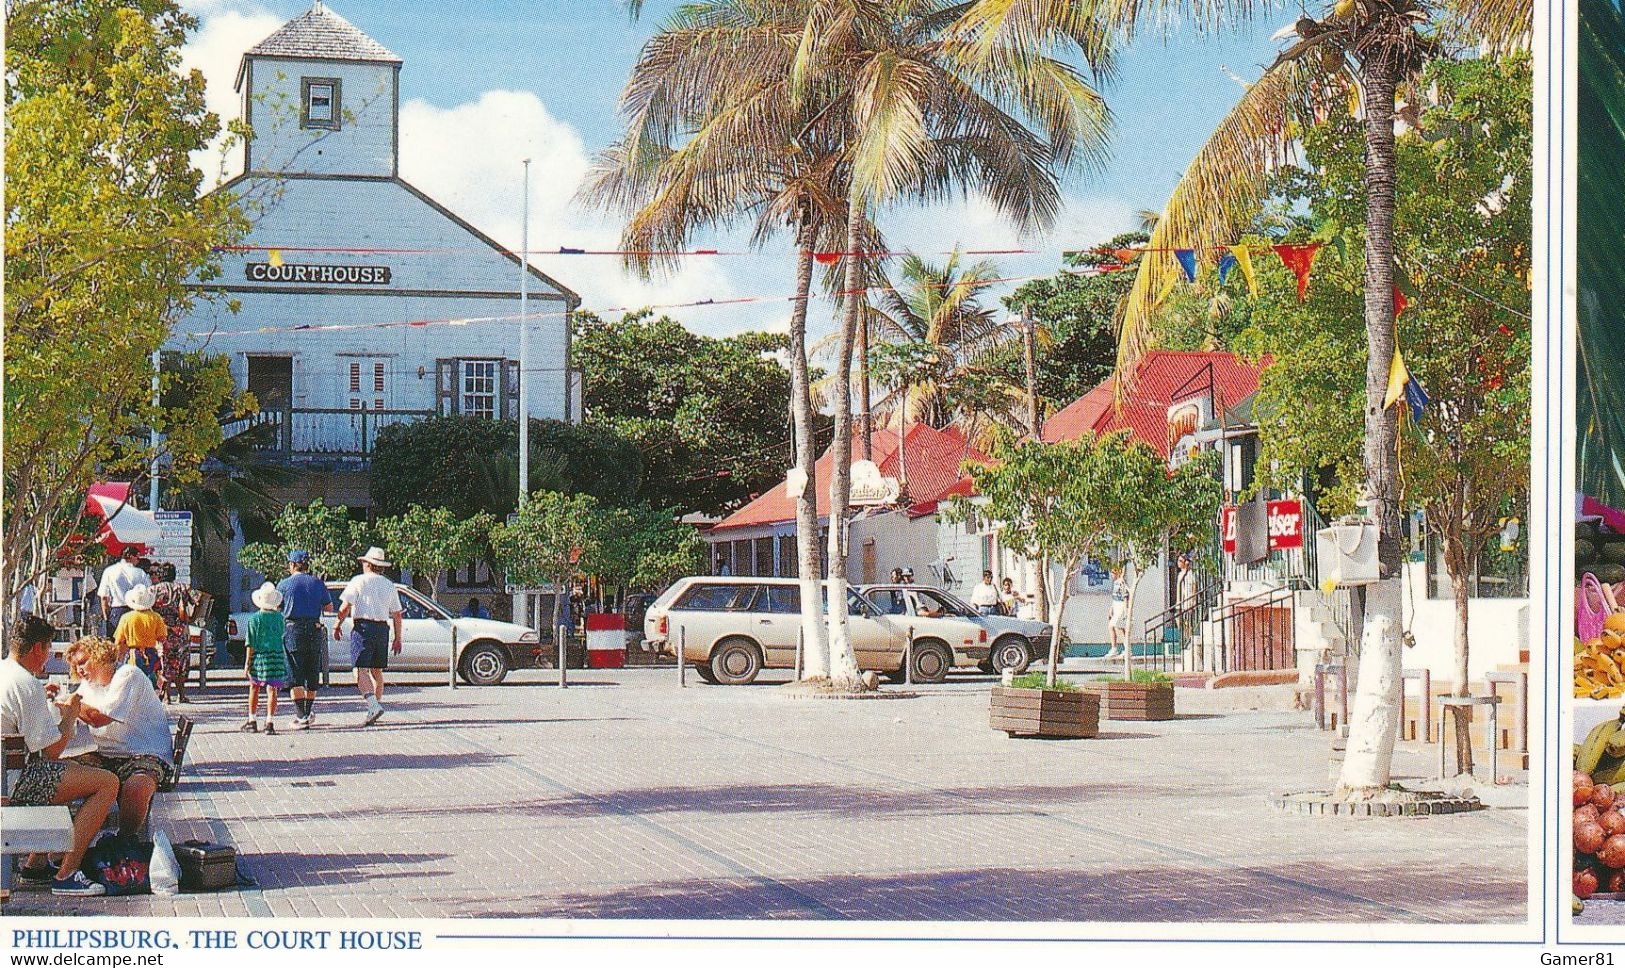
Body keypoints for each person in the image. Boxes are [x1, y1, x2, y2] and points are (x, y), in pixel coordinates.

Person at [0, 615, 119, 896]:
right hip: (13, 784)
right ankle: (67, 874)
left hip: (7, 773)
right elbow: (52, 751)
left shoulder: (7, 672)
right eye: (48, 650)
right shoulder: (25, 683)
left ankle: (36, 865)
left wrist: (42, 698)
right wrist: (70, 715)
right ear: (38, 648)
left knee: (74, 772)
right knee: (107, 783)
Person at [68, 636, 176, 838]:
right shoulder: (89, 684)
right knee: (59, 773)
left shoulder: (128, 675)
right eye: (76, 665)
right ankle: (64, 848)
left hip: (145, 754)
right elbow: (78, 710)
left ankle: (125, 844)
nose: (80, 669)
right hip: (108, 756)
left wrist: (68, 703)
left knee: (137, 786)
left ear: (98, 655)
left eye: (83, 662)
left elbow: (98, 718)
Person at [334, 547, 402, 727]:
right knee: (377, 670)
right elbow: (397, 614)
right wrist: (397, 638)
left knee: (359, 669)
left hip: (363, 627)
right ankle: (375, 706)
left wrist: (337, 624)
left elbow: (345, 606)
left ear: (368, 564)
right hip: (382, 628)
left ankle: (373, 706)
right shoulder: (388, 584)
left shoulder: (359, 581)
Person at [277, 549, 328, 730]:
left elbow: (276, 605)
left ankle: (301, 715)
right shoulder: (317, 583)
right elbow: (329, 606)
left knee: (295, 673)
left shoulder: (284, 584)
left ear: (292, 564)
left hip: (293, 629)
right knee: (312, 671)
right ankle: (307, 711)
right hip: (314, 628)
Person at [243, 583, 291, 734]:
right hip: (276, 656)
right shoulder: (280, 618)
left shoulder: (255, 619)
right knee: (272, 690)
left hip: (259, 657)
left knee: (254, 687)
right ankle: (269, 722)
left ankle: (252, 720)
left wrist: (247, 663)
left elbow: (250, 643)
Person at [149, 563, 194, 704]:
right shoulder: (182, 588)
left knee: (165, 663)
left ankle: (166, 696)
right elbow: (200, 600)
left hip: (163, 630)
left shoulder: (152, 590)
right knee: (181, 662)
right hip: (181, 632)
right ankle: (181, 694)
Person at [112, 584, 165, 689]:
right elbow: (162, 638)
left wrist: (118, 658)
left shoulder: (126, 618)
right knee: (150, 684)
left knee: (133, 684)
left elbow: (118, 641)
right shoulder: (156, 617)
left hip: (133, 654)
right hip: (151, 654)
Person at [99, 546, 150, 641]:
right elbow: (148, 592)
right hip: (136, 611)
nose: (138, 561)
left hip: (116, 612)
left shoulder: (109, 571)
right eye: (137, 558)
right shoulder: (140, 573)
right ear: (130, 556)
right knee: (135, 643)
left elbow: (104, 597)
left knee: (116, 645)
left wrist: (106, 617)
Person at [1105, 564, 1131, 659]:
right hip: (1116, 605)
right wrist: (1111, 609)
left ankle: (1126, 648)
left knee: (1118, 627)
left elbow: (1125, 597)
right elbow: (1114, 597)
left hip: (1121, 606)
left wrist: (1125, 610)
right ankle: (1114, 648)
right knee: (1112, 626)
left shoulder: (1121, 583)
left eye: (1113, 572)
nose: (1112, 574)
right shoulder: (1115, 583)